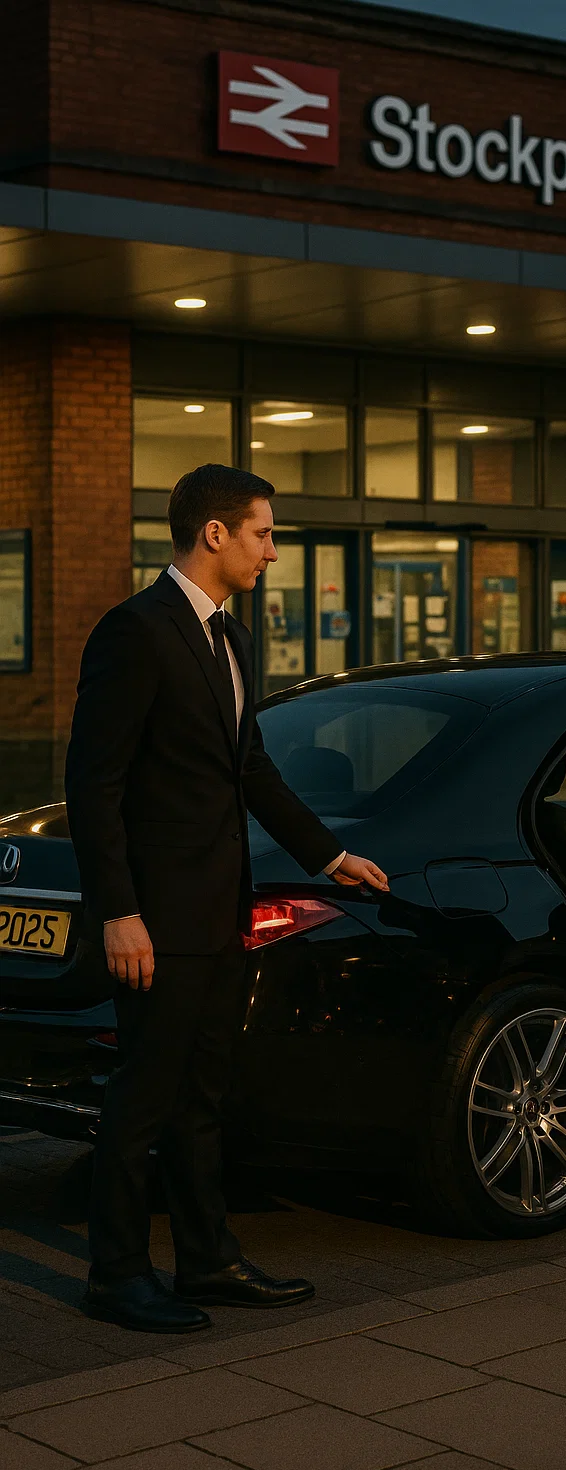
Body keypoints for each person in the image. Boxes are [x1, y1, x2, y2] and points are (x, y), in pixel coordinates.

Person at [65, 464, 389, 1335]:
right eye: (263, 534)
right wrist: (119, 910)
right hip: (156, 919)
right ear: (215, 534)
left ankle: (206, 1261)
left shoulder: (235, 641)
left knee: (203, 1096)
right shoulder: (135, 632)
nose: (273, 553)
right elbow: (94, 785)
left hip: (219, 911)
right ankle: (116, 1275)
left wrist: (330, 855)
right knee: (143, 1099)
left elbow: (249, 768)